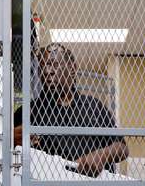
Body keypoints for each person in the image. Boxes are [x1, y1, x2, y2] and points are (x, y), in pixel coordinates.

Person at [13, 43, 129, 177]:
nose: (47, 71)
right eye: (42, 66)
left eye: (54, 64)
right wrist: (12, 140)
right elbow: (6, 151)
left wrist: (101, 156)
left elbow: (122, 148)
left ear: (72, 68)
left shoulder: (94, 106)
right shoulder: (28, 111)